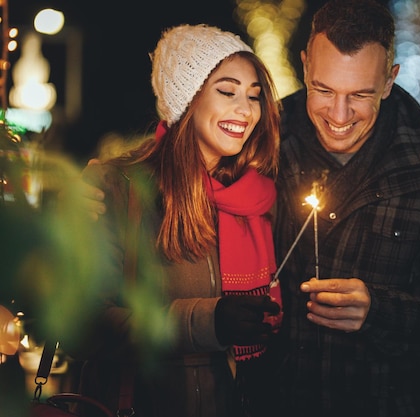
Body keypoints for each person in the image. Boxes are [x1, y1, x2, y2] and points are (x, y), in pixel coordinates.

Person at [82, 1, 420, 416]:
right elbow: (178, 155)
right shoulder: (267, 140)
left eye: (360, 95)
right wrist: (80, 189)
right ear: (304, 65)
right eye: (324, 89)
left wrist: (380, 312)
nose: (338, 115)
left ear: (389, 81)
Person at [69, 24, 283, 417]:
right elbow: (84, 328)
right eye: (227, 91)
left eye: (254, 96)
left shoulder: (258, 198)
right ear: (186, 100)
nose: (246, 110)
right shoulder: (119, 187)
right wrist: (209, 322)